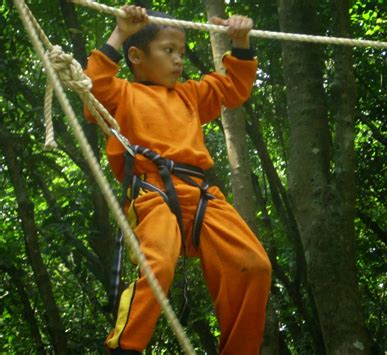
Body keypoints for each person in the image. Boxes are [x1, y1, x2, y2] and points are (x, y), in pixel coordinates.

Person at [84, 5, 271, 354]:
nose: (178, 61)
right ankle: (124, 347)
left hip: (201, 193)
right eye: (168, 51)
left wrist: (242, 43)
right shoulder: (122, 94)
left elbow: (234, 88)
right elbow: (92, 87)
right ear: (137, 56)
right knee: (159, 264)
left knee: (254, 265)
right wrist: (120, 32)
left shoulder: (189, 96)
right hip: (152, 189)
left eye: (181, 53)